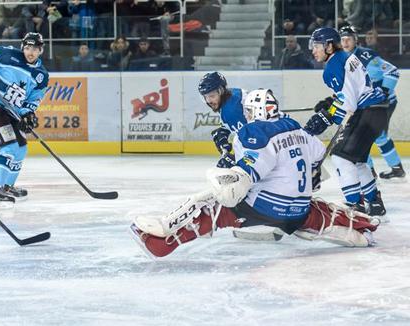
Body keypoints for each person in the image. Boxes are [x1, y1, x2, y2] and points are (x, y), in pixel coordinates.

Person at [129, 89, 379, 258]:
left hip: (263, 206)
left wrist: (229, 159)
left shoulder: (255, 132)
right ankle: (362, 230)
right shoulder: (297, 129)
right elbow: (316, 157)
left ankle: (160, 240)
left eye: (249, 111)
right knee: (318, 212)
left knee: (211, 207)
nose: (247, 116)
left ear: (258, 111)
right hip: (297, 211)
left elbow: (245, 177)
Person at [304, 27, 388, 219]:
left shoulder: (333, 66)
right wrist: (331, 103)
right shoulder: (344, 57)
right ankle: (374, 202)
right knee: (356, 160)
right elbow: (350, 93)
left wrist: (328, 116)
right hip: (377, 110)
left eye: (316, 46)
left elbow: (349, 105)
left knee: (341, 157)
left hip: (366, 112)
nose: (313, 50)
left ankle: (354, 205)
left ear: (329, 46)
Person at [0, 32, 49, 202]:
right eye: (27, 47)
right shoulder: (7, 54)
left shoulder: (41, 76)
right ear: (22, 47)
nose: (30, 52)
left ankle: (6, 186)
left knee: (21, 148)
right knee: (9, 147)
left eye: (35, 49)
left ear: (41, 51)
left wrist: (28, 114)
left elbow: (33, 99)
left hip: (10, 112)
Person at [339, 25, 404, 180]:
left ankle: (372, 172)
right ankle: (392, 169)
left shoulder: (367, 56)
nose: (346, 42)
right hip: (365, 105)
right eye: (343, 40)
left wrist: (384, 93)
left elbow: (392, 71)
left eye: (349, 39)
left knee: (369, 136)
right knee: (373, 136)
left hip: (382, 104)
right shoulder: (341, 59)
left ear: (356, 40)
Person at [198, 72, 248, 169]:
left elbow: (253, 143)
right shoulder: (233, 94)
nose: (208, 101)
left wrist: (235, 161)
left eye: (211, 96)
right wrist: (224, 130)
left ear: (221, 91)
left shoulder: (230, 111)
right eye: (205, 97)